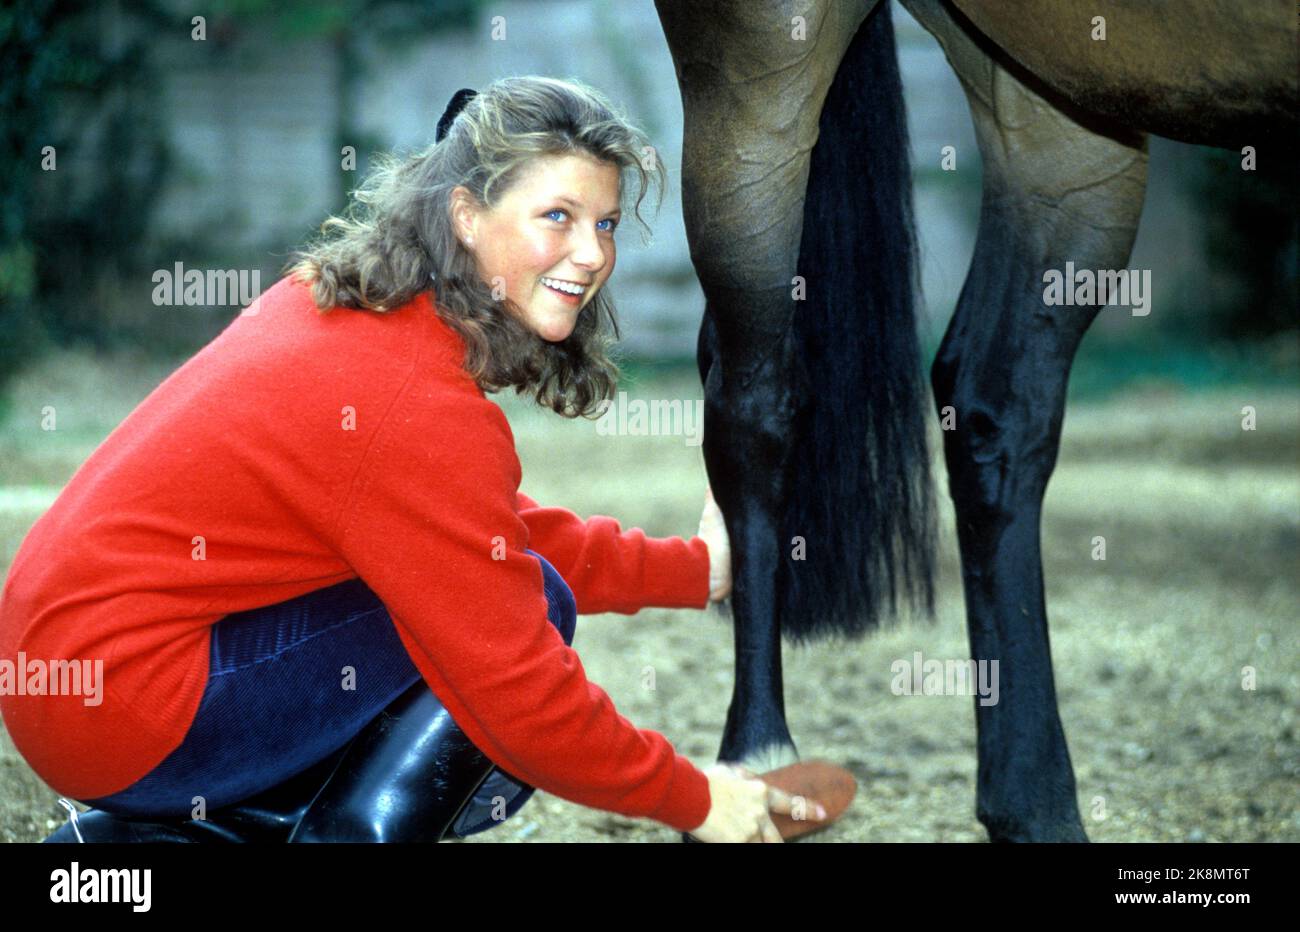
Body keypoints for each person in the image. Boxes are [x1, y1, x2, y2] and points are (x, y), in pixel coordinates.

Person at [0, 75, 824, 843]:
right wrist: (699, 799)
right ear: (466, 214)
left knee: (486, 590)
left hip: (77, 683)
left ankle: (157, 840)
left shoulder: (346, 305)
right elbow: (519, 692)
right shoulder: (410, 405)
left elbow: (471, 532)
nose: (592, 254)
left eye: (604, 223)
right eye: (557, 217)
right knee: (524, 614)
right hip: (127, 706)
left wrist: (691, 571)